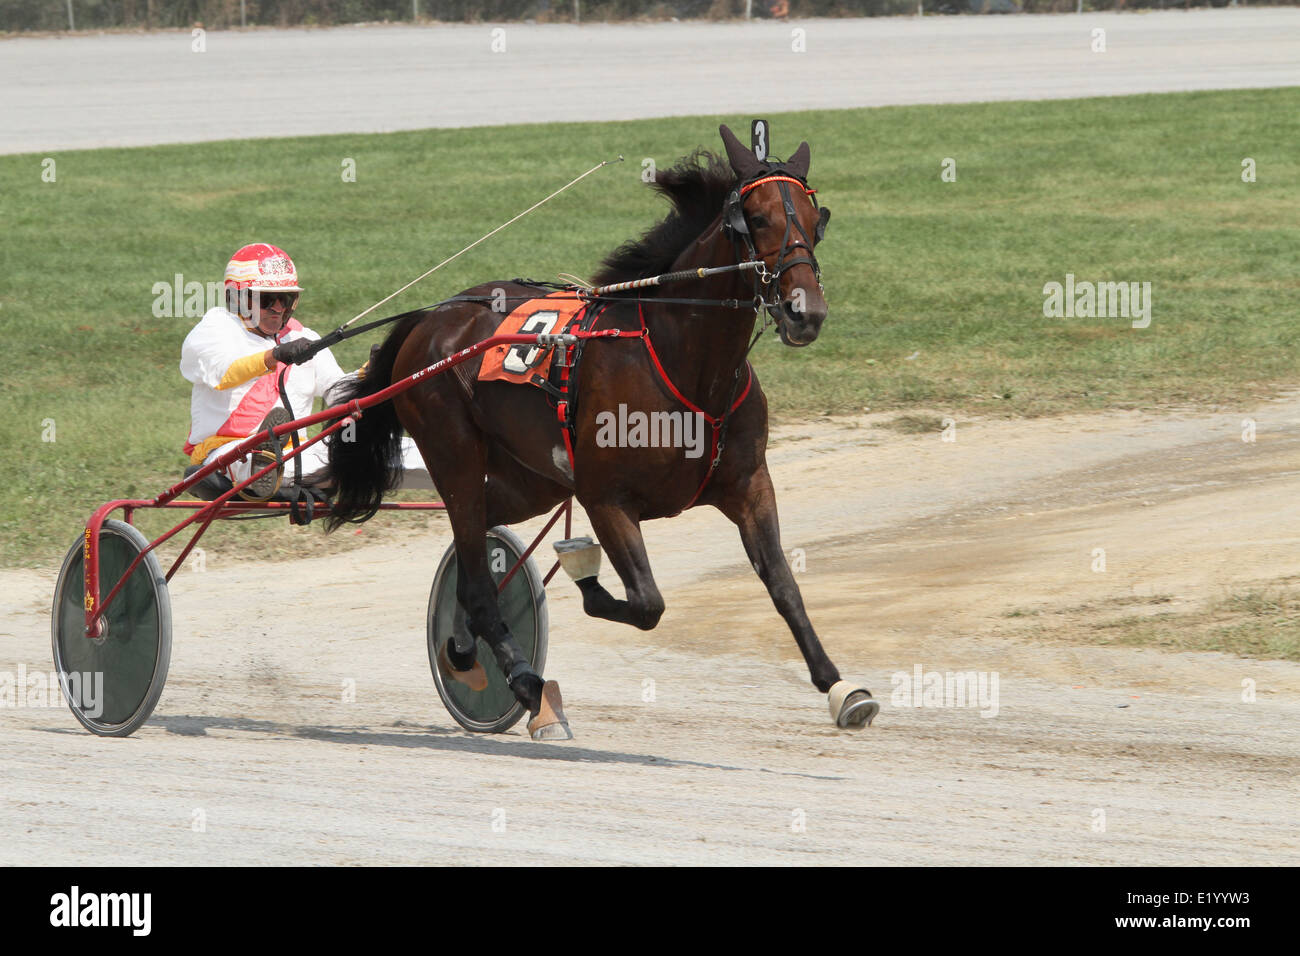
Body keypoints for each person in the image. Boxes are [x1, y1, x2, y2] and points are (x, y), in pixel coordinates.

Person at [180, 242, 429, 499]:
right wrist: (274, 356)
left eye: (286, 300)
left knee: (428, 453)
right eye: (267, 300)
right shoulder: (215, 328)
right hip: (224, 453)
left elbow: (337, 392)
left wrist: (370, 375)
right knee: (247, 459)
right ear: (235, 297)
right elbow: (222, 373)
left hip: (299, 452)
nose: (278, 308)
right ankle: (262, 462)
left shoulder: (301, 336)